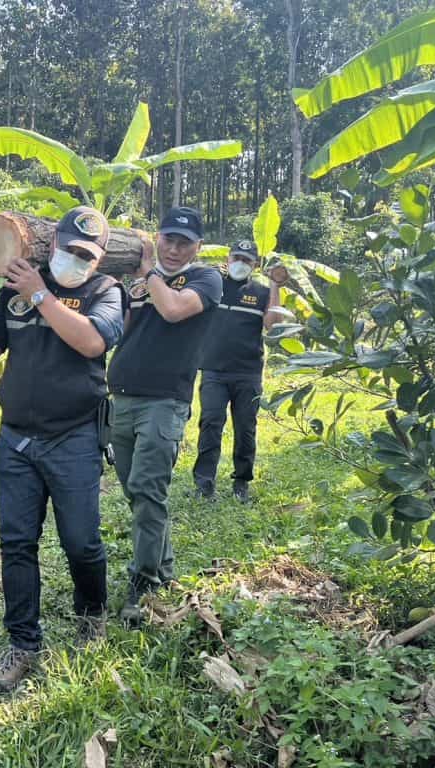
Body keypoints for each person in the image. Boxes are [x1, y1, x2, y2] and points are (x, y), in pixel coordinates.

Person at [0, 206, 126, 694]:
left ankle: (91, 613)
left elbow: (92, 342)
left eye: (86, 255)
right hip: (15, 437)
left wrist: (40, 294)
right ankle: (22, 644)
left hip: (73, 436)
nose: (75, 260)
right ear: (49, 241)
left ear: (99, 260)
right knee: (16, 543)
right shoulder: (18, 289)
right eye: (70, 248)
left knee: (81, 541)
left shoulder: (107, 293)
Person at [106, 206, 224, 626]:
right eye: (168, 239)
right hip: (121, 397)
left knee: (146, 486)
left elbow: (174, 310)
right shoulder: (139, 281)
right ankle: (164, 566)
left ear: (198, 247)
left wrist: (149, 273)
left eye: (183, 242)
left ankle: (144, 582)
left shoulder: (206, 278)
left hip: (164, 402)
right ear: (157, 237)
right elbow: (120, 328)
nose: (174, 249)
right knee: (138, 493)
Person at [192, 240, 288, 503]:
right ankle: (204, 483)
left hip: (248, 373)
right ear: (228, 256)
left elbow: (273, 325)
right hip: (213, 370)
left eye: (247, 260)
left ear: (255, 265)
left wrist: (276, 286)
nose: (241, 263)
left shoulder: (260, 292)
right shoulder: (214, 285)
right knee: (210, 424)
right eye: (237, 257)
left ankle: (242, 482)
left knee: (245, 428)